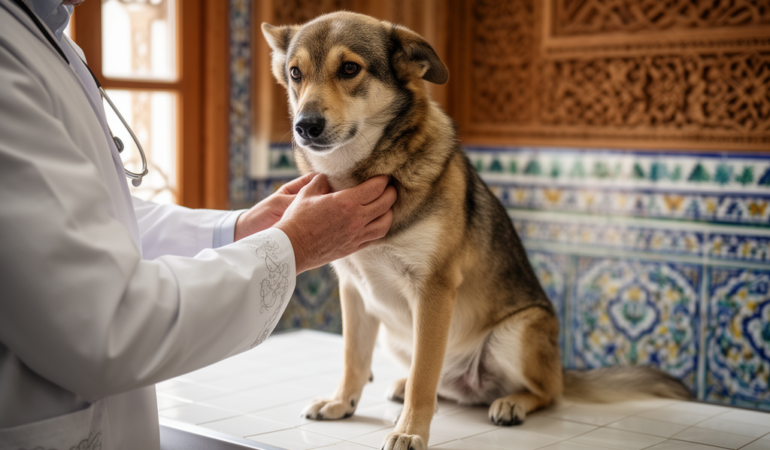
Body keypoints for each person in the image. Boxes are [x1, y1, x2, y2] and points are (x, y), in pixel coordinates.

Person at [0, 0, 397, 448]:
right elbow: (99, 324)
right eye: (298, 76)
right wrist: (295, 243)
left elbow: (88, 215)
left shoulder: (48, 35)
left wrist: (239, 228)